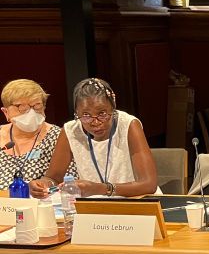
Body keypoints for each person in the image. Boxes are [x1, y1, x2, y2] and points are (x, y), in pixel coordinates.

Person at [28, 78, 158, 198]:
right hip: (95, 206)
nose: (95, 122)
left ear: (113, 108)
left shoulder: (129, 125)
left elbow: (149, 184)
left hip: (136, 200)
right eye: (86, 115)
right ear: (76, 113)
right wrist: (43, 184)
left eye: (102, 114)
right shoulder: (71, 131)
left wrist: (101, 189)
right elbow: (53, 178)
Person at [0, 79, 68, 188]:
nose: (31, 113)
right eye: (22, 107)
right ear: (6, 112)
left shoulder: (59, 137)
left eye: (37, 106)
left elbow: (69, 182)